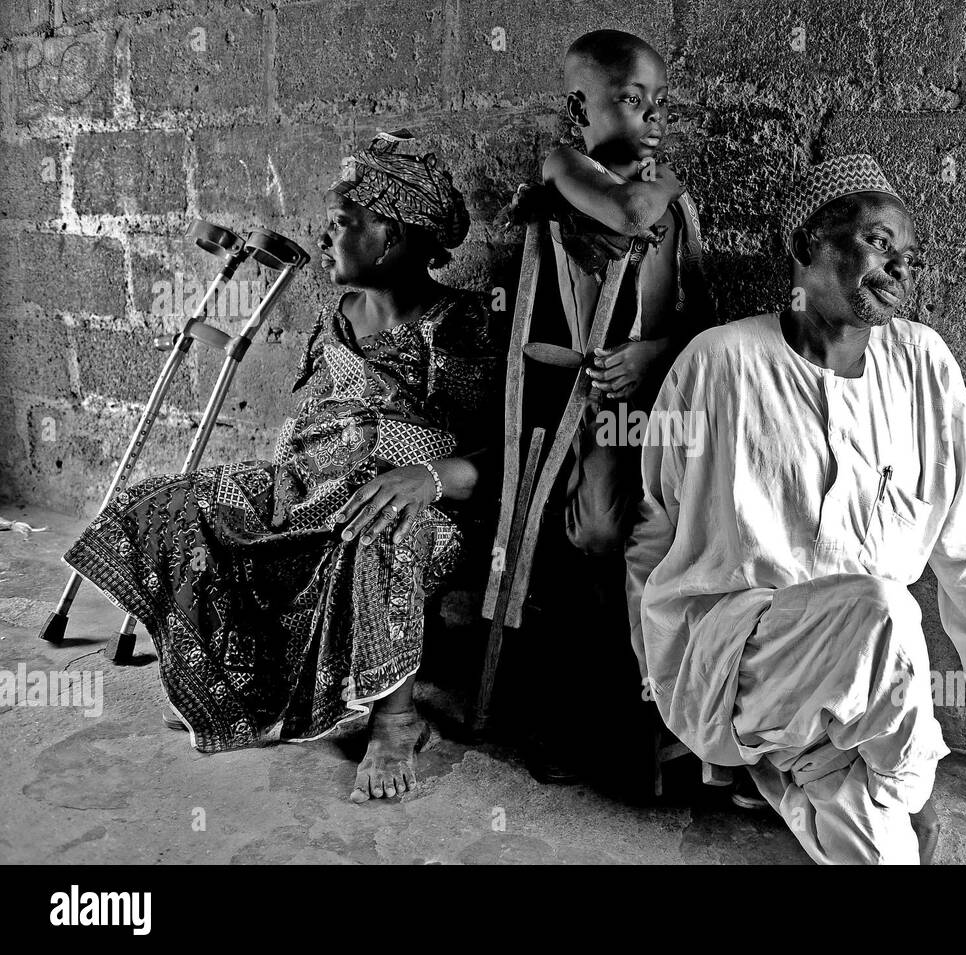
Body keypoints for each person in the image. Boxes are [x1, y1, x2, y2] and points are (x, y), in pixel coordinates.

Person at [625, 153, 966, 863]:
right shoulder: (719, 362)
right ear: (804, 247)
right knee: (882, 608)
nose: (898, 268)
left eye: (908, 256)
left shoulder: (922, 363)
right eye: (879, 242)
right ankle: (913, 789)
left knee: (886, 855)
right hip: (743, 657)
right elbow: (654, 532)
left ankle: (809, 772)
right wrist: (660, 675)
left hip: (870, 694)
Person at [65, 129, 504, 804]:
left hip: (423, 508)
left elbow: (498, 456)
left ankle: (395, 720)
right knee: (178, 503)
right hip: (308, 489)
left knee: (379, 527)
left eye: (341, 224)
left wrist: (430, 477)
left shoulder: (461, 325)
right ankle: (242, 675)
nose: (324, 238)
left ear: (391, 235)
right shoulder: (340, 315)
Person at [506, 29, 714, 785]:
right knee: (596, 529)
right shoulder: (565, 169)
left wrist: (653, 353)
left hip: (664, 404)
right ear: (578, 106)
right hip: (590, 403)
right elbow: (628, 212)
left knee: (670, 540)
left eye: (658, 102)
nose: (650, 117)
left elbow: (701, 315)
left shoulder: (675, 210)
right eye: (630, 100)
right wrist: (669, 185)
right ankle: (589, 713)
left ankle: (664, 716)